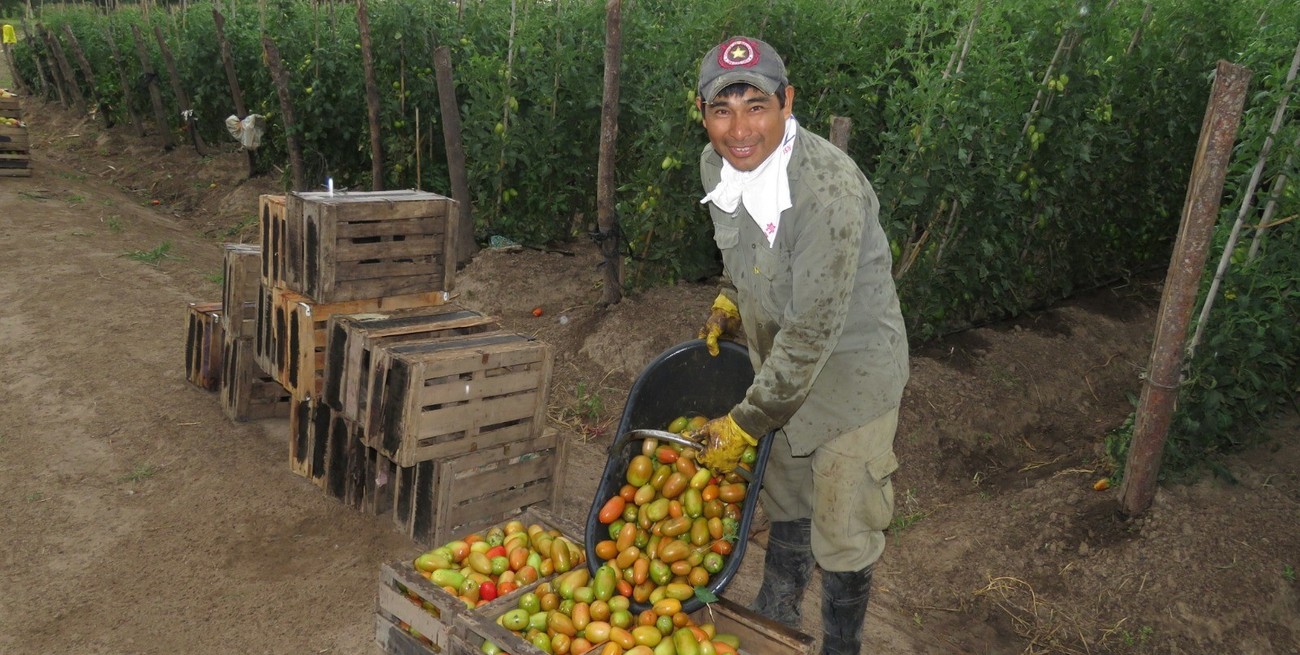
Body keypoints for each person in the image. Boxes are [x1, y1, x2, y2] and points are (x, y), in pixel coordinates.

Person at [690, 36, 910, 655]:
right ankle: (778, 612)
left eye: (756, 107)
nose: (739, 130)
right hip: (779, 372)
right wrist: (731, 298)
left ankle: (841, 645)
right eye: (722, 111)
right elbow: (743, 250)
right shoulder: (718, 165)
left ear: (787, 103)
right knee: (787, 496)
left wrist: (743, 423)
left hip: (849, 381)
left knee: (843, 526)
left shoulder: (826, 193)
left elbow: (813, 333)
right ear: (703, 115)